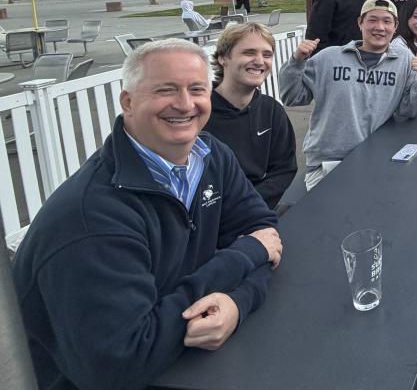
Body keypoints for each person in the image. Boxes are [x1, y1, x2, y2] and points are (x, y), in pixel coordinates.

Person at [12, 39, 282, 390]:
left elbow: (264, 232)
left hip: (179, 358)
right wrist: (244, 255)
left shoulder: (211, 156)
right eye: (166, 90)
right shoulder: (91, 218)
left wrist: (237, 301)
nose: (185, 104)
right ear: (128, 101)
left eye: (197, 89)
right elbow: (121, 363)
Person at [280, 0, 417, 190]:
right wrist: (296, 61)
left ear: (395, 27)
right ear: (360, 22)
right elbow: (291, 97)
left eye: (387, 21)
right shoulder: (330, 57)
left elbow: (408, 110)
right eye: (372, 20)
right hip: (329, 163)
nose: (380, 27)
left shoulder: (404, 60)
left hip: (376, 159)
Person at [205, 23, 297, 209]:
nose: (259, 61)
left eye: (267, 54)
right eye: (249, 52)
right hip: (209, 215)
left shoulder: (271, 111)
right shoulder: (198, 112)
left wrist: (249, 206)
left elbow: (284, 169)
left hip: (257, 209)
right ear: (223, 57)